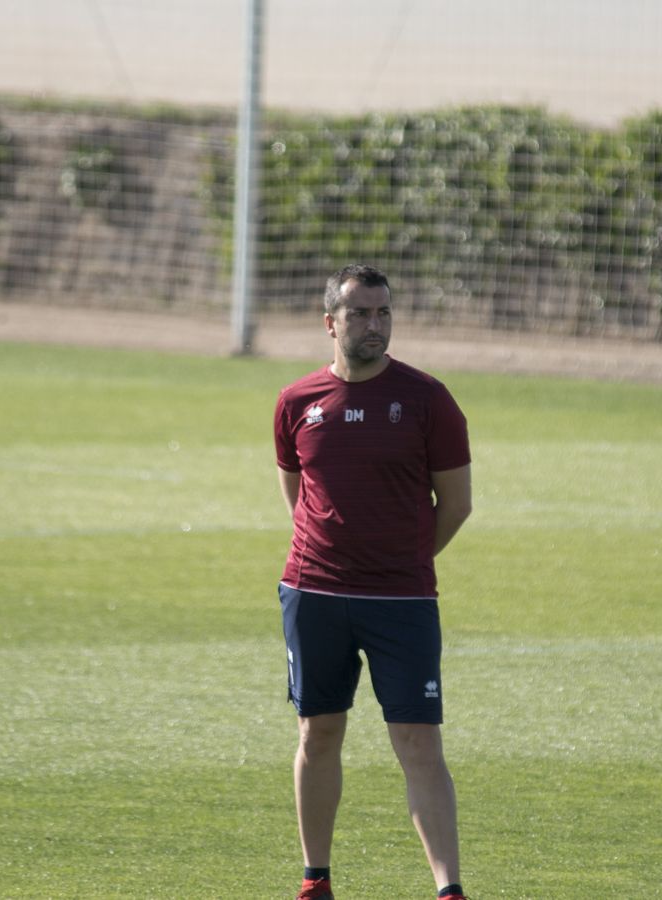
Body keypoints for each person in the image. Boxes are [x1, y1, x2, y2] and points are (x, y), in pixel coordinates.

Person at [273, 264, 473, 900]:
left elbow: (458, 503)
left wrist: (405, 558)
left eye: (383, 312)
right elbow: (296, 492)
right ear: (330, 322)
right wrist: (327, 554)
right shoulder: (296, 401)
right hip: (315, 595)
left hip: (402, 600)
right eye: (360, 313)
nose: (374, 324)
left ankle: (448, 890)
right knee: (318, 731)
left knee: (418, 740)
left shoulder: (427, 399)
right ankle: (315, 878)